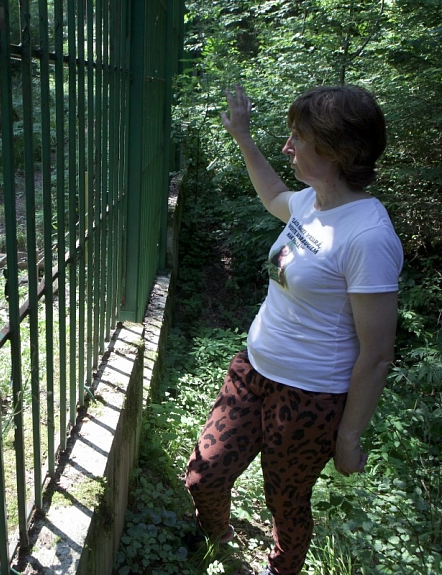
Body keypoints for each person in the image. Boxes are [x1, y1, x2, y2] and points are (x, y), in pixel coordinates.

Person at [184, 84, 403, 575]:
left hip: (310, 397)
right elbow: (274, 196)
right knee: (204, 475)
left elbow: (377, 354)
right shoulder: (311, 202)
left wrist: (349, 438)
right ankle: (217, 538)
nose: (288, 147)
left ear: (336, 150)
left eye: (297, 137)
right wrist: (242, 137)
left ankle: (282, 568)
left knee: (286, 500)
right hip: (253, 369)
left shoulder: (368, 236)